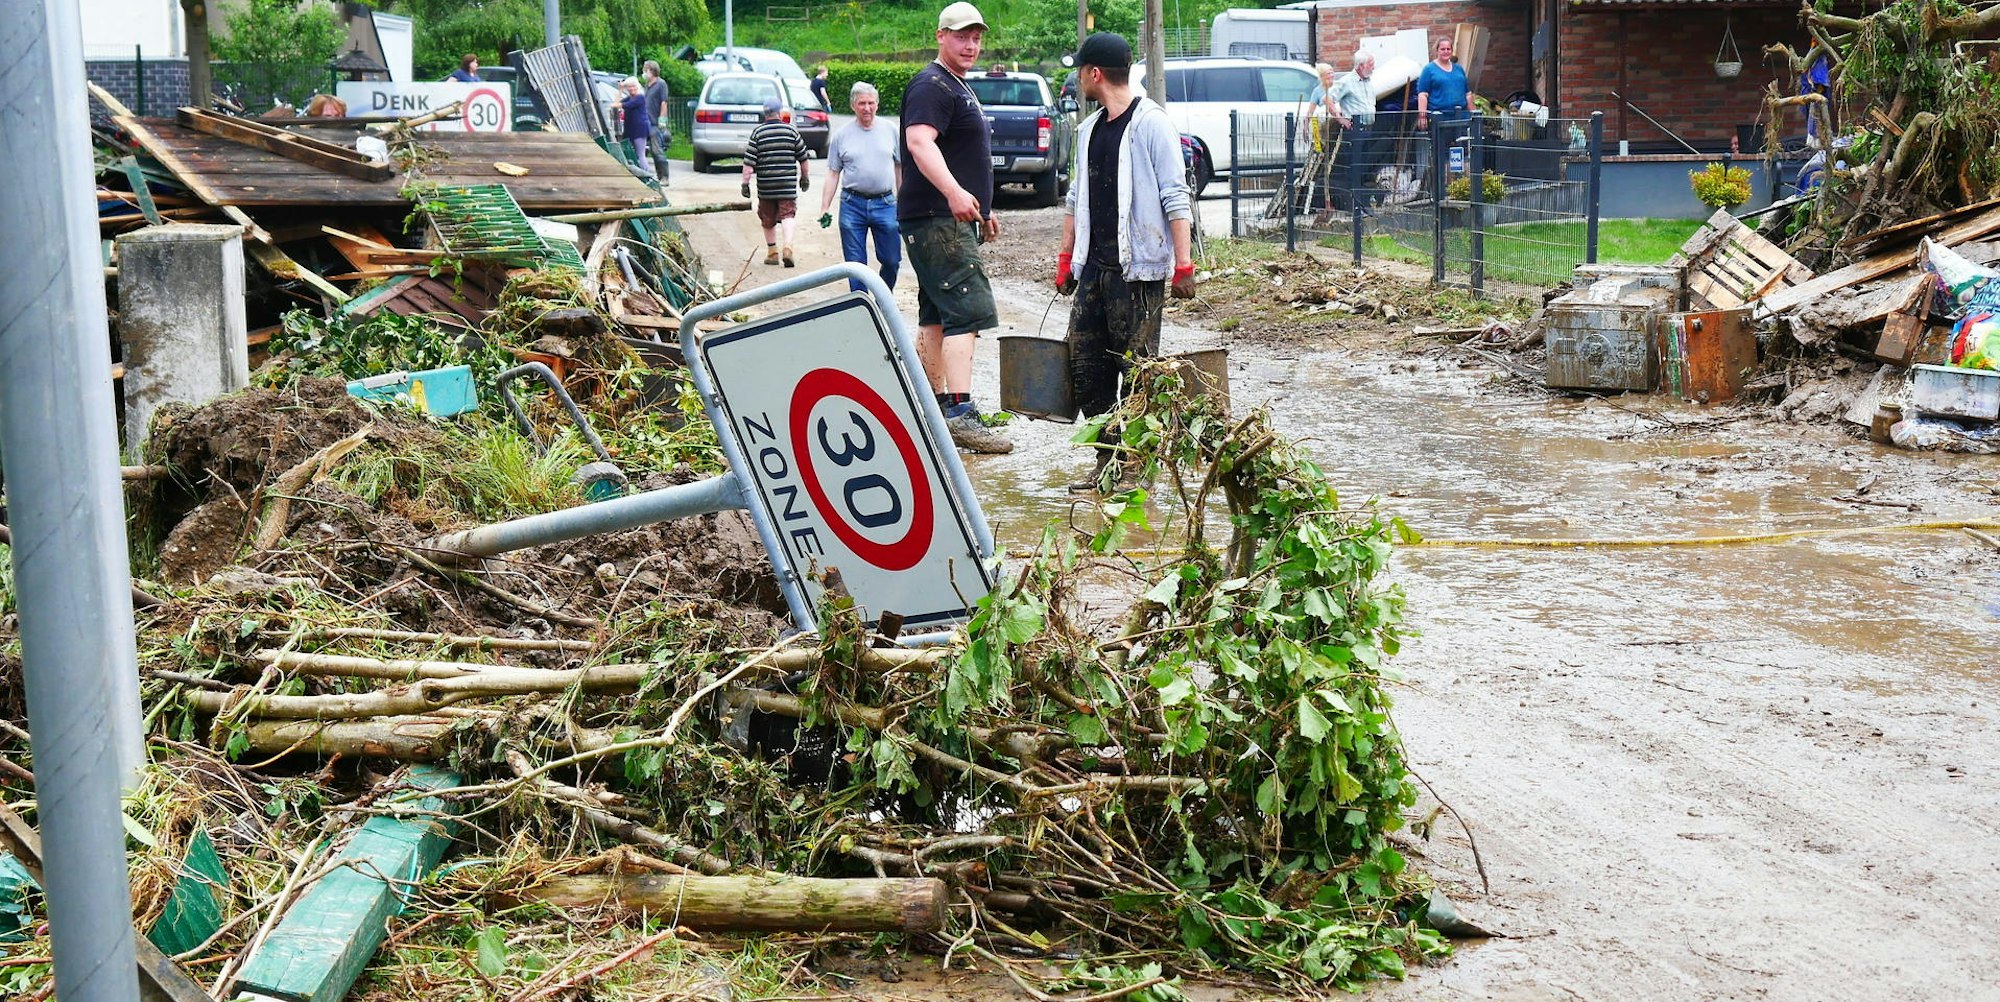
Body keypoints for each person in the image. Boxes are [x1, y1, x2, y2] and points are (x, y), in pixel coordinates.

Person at [1053, 32, 1195, 491]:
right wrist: (1065, 257)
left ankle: (1134, 465)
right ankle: (1107, 458)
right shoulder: (1089, 129)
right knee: (1086, 366)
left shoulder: (1152, 124)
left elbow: (1176, 196)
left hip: (1140, 272)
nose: (1078, 79)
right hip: (1094, 270)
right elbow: (1076, 199)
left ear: (1094, 74)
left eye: (1081, 71)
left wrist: (1184, 265)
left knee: (1137, 370)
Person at [899, 1, 1012, 454]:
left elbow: (962, 155)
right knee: (967, 311)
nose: (971, 44)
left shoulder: (954, 84)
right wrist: (952, 193)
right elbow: (918, 142)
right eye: (962, 35)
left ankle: (934, 408)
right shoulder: (932, 85)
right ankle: (961, 414)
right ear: (940, 36)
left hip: (944, 217)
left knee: (936, 315)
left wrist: (983, 207)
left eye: (976, 37)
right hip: (937, 218)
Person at [819, 81, 902, 292]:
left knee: (892, 260)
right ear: (853, 106)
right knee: (855, 266)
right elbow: (832, 173)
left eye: (871, 103)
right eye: (862, 103)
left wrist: (903, 202)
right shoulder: (842, 135)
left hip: (885, 203)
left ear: (877, 104)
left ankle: (883, 297)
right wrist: (824, 207)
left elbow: (900, 168)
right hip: (852, 204)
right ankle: (861, 307)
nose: (867, 108)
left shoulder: (890, 130)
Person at [743, 97, 809, 267]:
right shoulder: (791, 132)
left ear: (764, 113)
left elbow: (749, 164)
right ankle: (788, 247)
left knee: (767, 218)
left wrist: (745, 183)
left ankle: (772, 252)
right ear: (780, 112)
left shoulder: (758, 133)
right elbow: (803, 158)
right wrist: (804, 177)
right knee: (788, 215)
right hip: (786, 185)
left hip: (766, 187)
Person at [1415, 37, 1469, 125]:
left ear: (1452, 51)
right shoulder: (1428, 70)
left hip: (1461, 117)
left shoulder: (1459, 69)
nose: (1446, 51)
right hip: (1439, 118)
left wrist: (1474, 115)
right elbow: (1422, 95)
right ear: (1437, 51)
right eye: (1442, 49)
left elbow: (1468, 94)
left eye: (1448, 49)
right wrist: (1422, 117)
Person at [617, 78, 655, 179]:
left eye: (633, 86)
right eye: (629, 86)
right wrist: (620, 90)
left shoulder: (640, 98)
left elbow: (619, 105)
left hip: (640, 130)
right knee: (628, 153)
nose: (631, 88)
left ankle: (647, 177)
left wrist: (616, 103)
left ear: (637, 87)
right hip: (630, 129)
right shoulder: (629, 98)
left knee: (640, 154)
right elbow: (617, 103)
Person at [642, 59, 673, 180]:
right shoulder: (647, 85)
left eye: (645, 70)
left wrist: (662, 120)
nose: (644, 73)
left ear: (652, 71)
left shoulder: (661, 84)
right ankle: (656, 176)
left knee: (656, 149)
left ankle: (664, 177)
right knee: (646, 150)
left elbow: (663, 102)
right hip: (646, 122)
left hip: (655, 123)